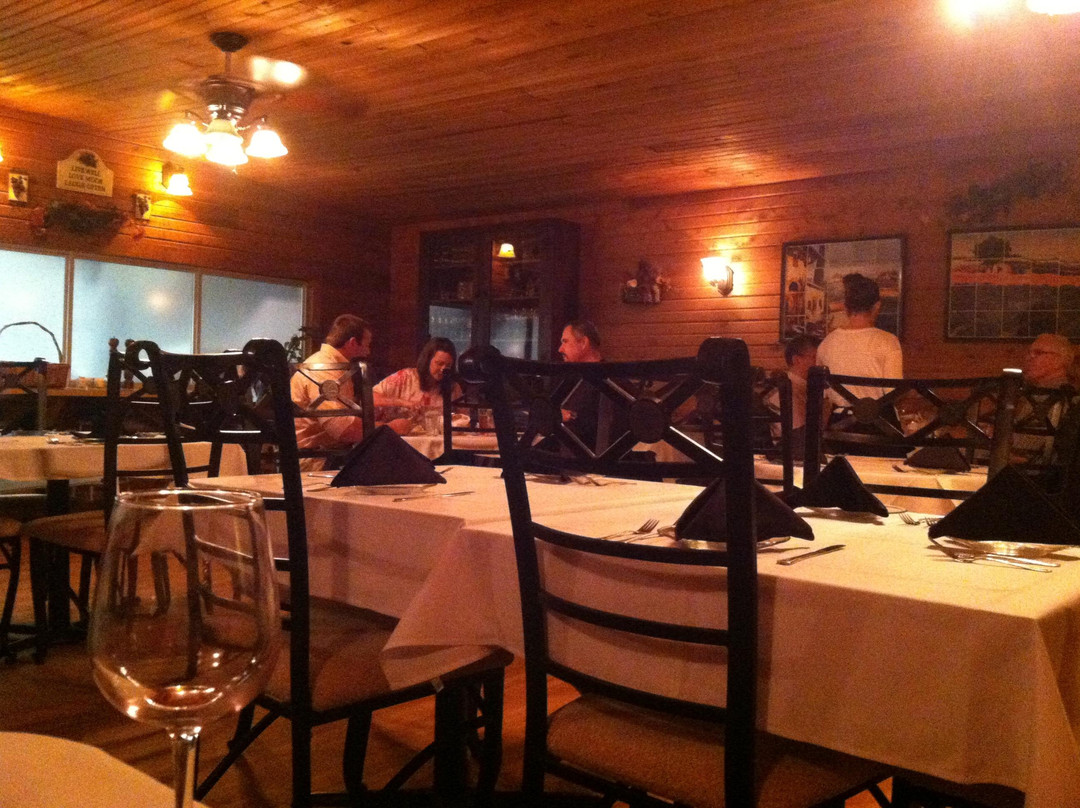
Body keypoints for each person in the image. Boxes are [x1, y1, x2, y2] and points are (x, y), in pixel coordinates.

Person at [291, 314, 411, 463]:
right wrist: (390, 428)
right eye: (367, 344)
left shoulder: (332, 364)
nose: (368, 351)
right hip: (317, 460)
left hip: (330, 454)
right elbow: (342, 429)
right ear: (353, 342)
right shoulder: (325, 368)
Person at [816, 272, 903, 401]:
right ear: (877, 306)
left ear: (846, 307)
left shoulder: (827, 342)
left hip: (839, 413)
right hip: (878, 413)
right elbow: (893, 392)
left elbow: (822, 392)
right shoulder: (888, 341)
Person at [373, 337, 461, 424]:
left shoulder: (453, 387)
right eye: (439, 363)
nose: (443, 369)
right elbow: (371, 397)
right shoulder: (405, 377)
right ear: (427, 360)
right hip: (401, 432)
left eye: (448, 365)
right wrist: (404, 403)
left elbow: (463, 418)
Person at [766, 335, 818, 454]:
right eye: (815, 357)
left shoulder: (802, 387)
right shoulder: (788, 390)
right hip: (787, 453)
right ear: (797, 360)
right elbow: (799, 436)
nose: (820, 363)